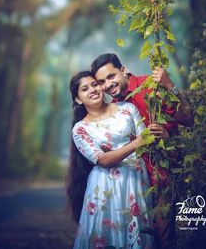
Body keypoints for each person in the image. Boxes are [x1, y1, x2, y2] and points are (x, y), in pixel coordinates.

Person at [91, 53, 194, 249]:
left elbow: (188, 120)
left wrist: (170, 87)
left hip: (162, 173)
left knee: (164, 235)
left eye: (111, 76)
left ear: (123, 70)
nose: (108, 85)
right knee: (139, 237)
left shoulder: (150, 85)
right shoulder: (113, 106)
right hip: (133, 182)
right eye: (102, 82)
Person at [67, 70, 156, 249]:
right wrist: (136, 143)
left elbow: (148, 140)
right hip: (104, 186)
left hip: (135, 180)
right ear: (78, 99)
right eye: (85, 89)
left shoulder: (127, 109)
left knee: (139, 231)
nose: (92, 90)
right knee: (106, 236)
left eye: (94, 84)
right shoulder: (80, 129)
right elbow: (102, 160)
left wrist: (150, 137)